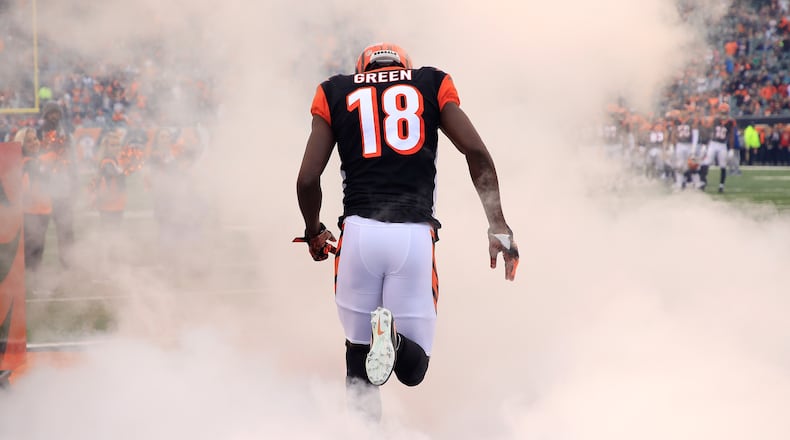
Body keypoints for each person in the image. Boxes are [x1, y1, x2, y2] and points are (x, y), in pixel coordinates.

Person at [295, 43, 519, 420]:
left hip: (359, 234)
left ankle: (365, 432)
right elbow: (475, 152)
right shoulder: (430, 83)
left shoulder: (335, 91)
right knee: (413, 371)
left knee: (358, 361)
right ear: (405, 66)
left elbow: (307, 179)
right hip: (413, 237)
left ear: (362, 70)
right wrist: (498, 224)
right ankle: (394, 340)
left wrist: (314, 230)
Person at [37, 101, 77, 268]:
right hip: (44, 191)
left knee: (66, 230)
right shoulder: (38, 134)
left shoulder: (66, 133)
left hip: (63, 188)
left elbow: (73, 160)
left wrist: (75, 180)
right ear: (45, 115)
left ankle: (68, 263)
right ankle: (34, 267)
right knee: (37, 233)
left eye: (57, 113)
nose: (55, 116)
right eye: (51, 113)